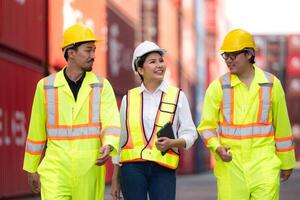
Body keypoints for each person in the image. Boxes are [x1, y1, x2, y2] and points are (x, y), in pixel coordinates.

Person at [23, 24, 121, 199]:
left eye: (94, 50)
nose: (93, 56)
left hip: (89, 169)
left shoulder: (101, 85)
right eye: (88, 50)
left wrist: (109, 144)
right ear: (71, 52)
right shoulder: (45, 86)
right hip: (55, 170)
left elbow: (111, 121)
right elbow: (36, 130)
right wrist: (31, 168)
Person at [197, 29, 296, 200]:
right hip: (231, 166)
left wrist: (287, 162)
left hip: (264, 166)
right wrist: (217, 147)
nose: (228, 60)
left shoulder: (272, 84)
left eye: (233, 55)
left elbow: (282, 127)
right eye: (226, 56)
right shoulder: (217, 87)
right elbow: (206, 127)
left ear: (249, 54)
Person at [110, 41, 198, 200]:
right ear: (140, 69)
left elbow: (190, 133)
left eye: (161, 60)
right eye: (153, 62)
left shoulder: (178, 96)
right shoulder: (128, 99)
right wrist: (115, 179)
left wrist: (173, 143)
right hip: (132, 169)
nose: (160, 65)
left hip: (163, 169)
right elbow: (120, 140)